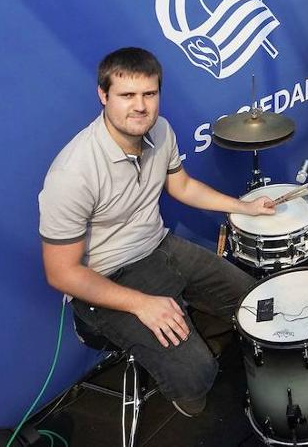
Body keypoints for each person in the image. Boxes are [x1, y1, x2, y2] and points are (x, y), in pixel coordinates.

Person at [39, 47, 276, 417]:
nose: (140, 106)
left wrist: (243, 206)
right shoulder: (73, 174)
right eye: (127, 95)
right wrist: (142, 303)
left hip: (159, 246)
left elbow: (181, 187)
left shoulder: (160, 131)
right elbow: (61, 273)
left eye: (149, 94)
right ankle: (186, 385)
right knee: (197, 374)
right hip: (106, 282)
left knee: (257, 303)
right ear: (103, 96)